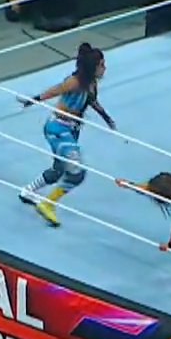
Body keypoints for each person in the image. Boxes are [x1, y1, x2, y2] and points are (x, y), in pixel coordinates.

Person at [19, 43, 118, 228]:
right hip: (58, 129)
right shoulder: (74, 82)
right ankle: (48, 203)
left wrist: (106, 118)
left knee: (59, 170)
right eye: (102, 65)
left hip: (71, 129)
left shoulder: (91, 83)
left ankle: (28, 191)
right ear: (93, 67)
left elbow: (92, 101)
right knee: (77, 173)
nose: (105, 68)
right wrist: (33, 100)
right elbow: (55, 90)